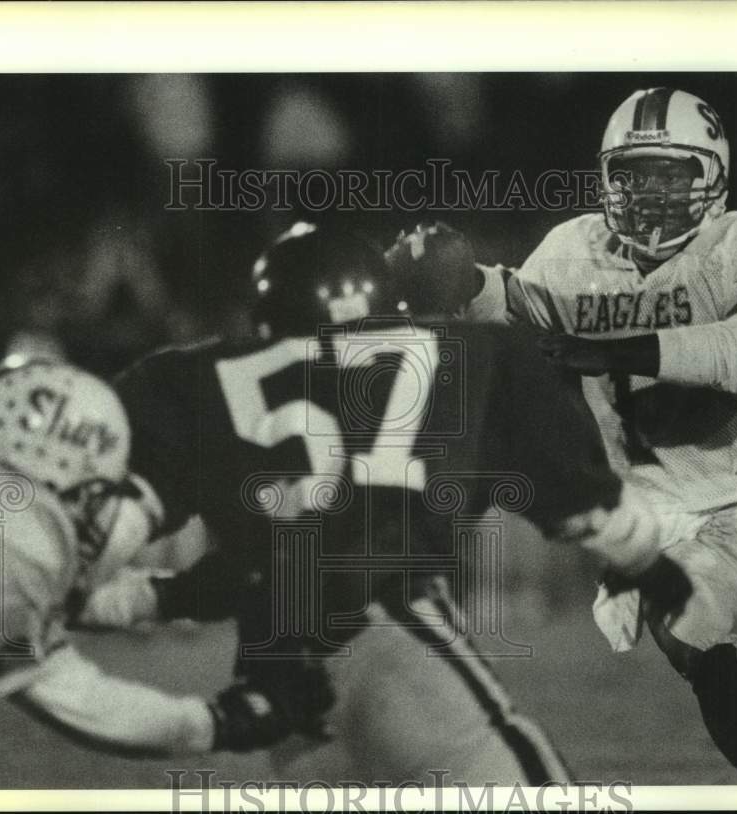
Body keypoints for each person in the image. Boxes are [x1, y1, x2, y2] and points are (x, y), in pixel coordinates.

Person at [79, 221, 688, 785]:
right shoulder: (462, 354)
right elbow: (583, 507)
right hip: (392, 638)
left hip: (279, 684)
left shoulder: (199, 378)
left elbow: (272, 567)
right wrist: (653, 567)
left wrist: (121, 597)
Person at [395, 89, 737, 783]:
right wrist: (460, 279)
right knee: (699, 647)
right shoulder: (575, 249)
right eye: (631, 173)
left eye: (669, 173)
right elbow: (518, 306)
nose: (648, 191)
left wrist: (616, 350)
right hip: (670, 524)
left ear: (711, 172)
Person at [0, 357, 320, 755]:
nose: (99, 509)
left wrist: (167, 596)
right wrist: (223, 721)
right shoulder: (14, 529)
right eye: (101, 490)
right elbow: (74, 696)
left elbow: (17, 603)